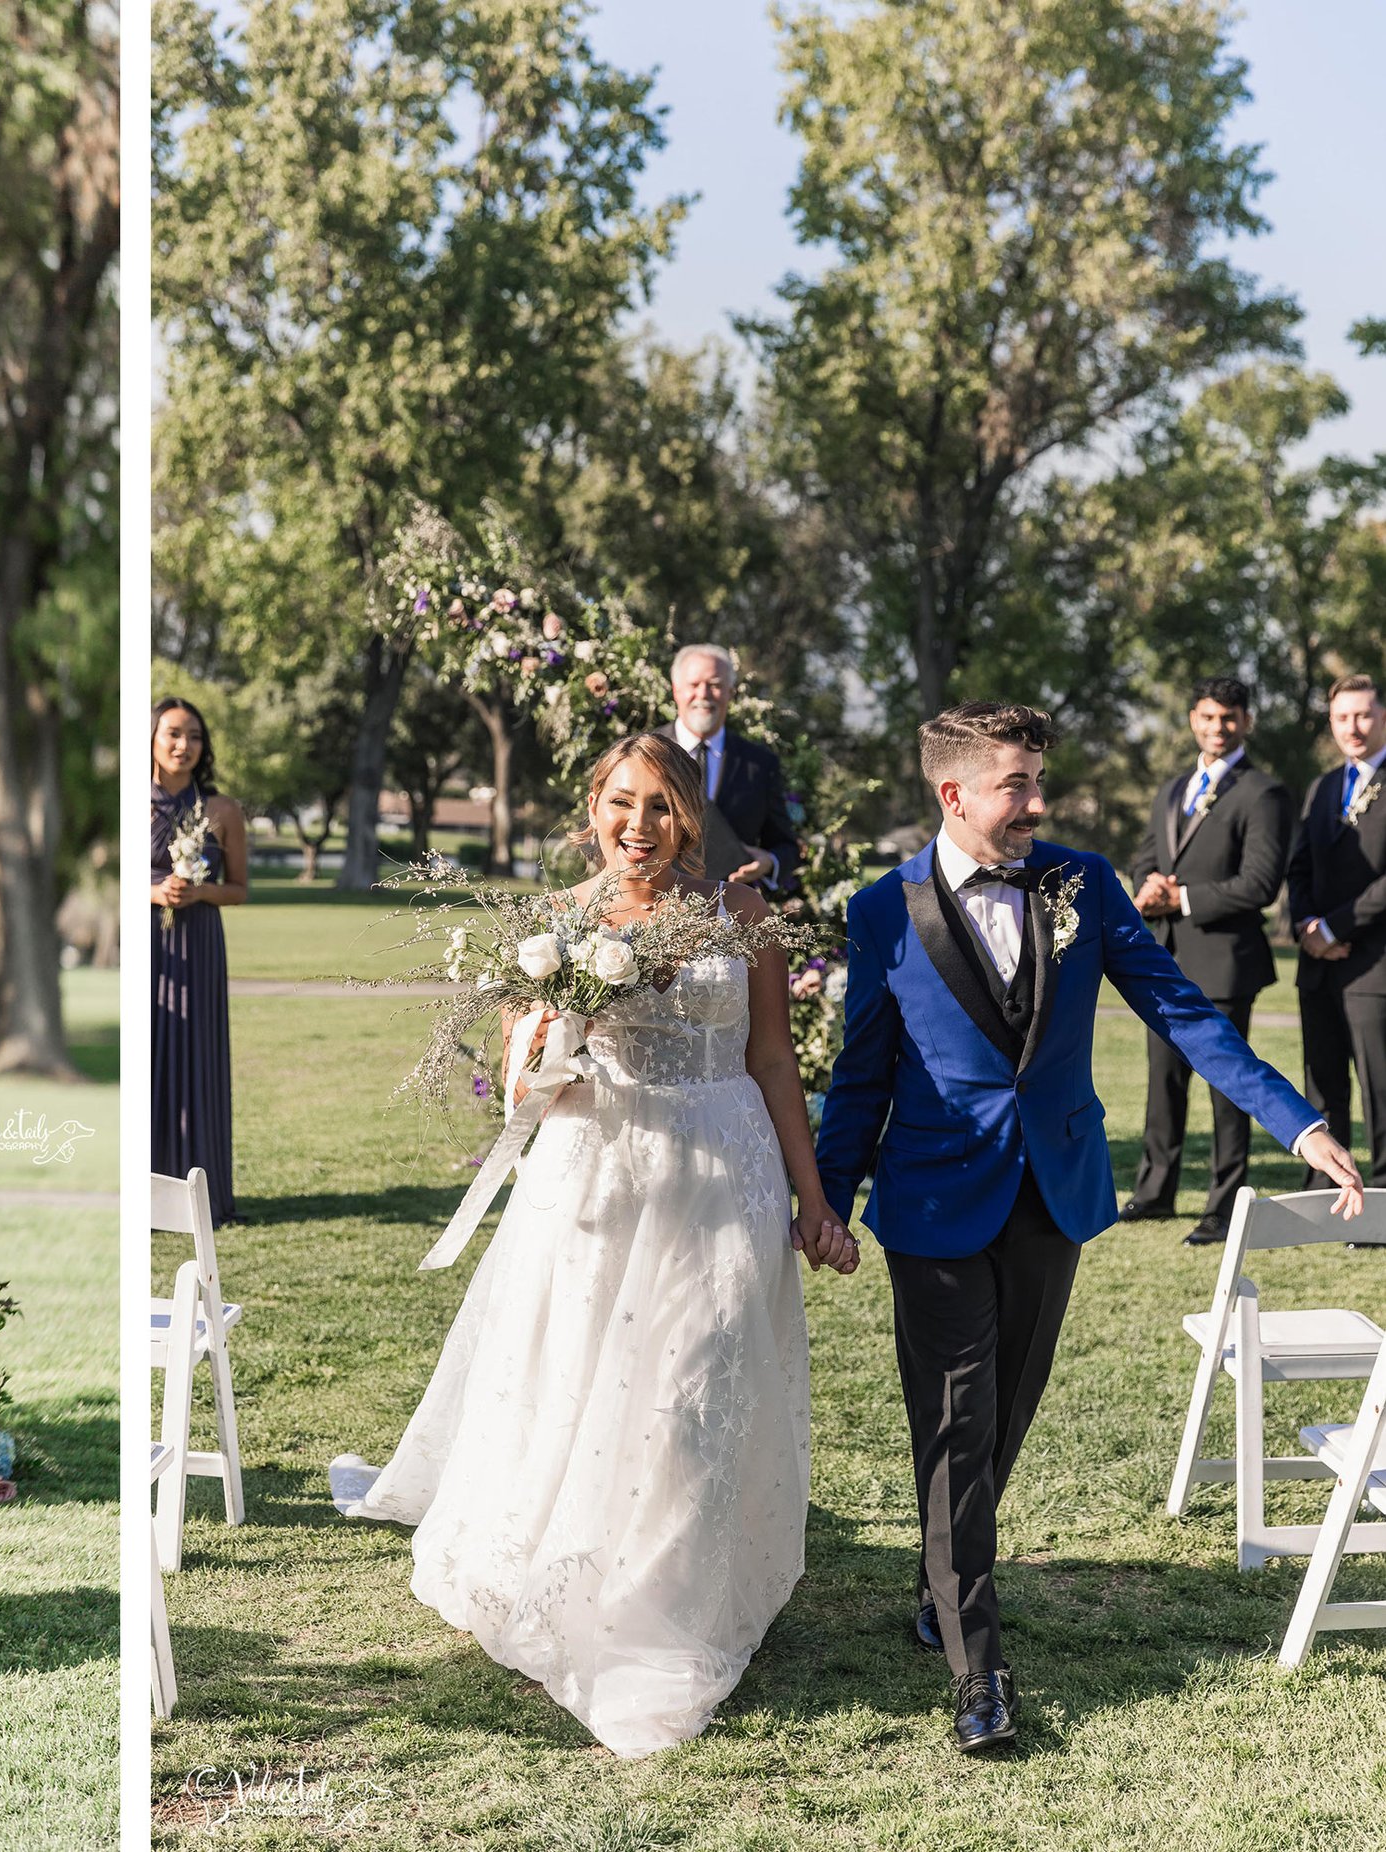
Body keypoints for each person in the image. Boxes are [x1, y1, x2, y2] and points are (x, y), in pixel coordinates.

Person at [815, 702, 1362, 1756]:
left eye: (1036, 783)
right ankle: (978, 1669)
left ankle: (940, 1571)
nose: (1036, 803)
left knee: (1003, 1409)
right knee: (956, 1418)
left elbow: (1182, 1010)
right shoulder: (882, 908)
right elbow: (859, 1074)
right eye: (1015, 785)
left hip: (1052, 1193)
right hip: (932, 1201)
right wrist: (826, 1196)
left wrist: (1295, 1122)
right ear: (954, 794)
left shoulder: (1081, 882)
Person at [336, 733, 859, 1759]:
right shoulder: (558, 923)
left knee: (695, 1385)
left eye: (661, 805)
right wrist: (550, 1042)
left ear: (691, 815)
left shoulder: (738, 913)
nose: (639, 826)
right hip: (596, 1175)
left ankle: (674, 1591)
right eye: (622, 802)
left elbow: (771, 1059)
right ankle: (587, 1580)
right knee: (581, 1376)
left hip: (723, 1168)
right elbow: (522, 1083)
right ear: (592, 806)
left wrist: (813, 1199)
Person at [1122, 676, 1293, 1243]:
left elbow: (1261, 884)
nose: (1217, 727)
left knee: (1229, 1087)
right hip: (1164, 961)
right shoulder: (1172, 789)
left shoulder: (1263, 792)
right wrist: (1145, 889)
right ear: (1193, 718)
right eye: (1207, 716)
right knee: (1162, 1083)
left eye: (1229, 717)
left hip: (1224, 961)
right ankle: (1155, 1191)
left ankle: (1224, 1206)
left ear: (1246, 721)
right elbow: (1148, 859)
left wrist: (1184, 899)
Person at [1286, 674, 1386, 1203]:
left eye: (1364, 715)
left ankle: (1384, 1202)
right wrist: (1307, 928)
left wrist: (1334, 927)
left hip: (1375, 964)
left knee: (1380, 1087)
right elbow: (1298, 867)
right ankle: (1325, 1191)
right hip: (1318, 962)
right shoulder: (1323, 786)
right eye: (1342, 717)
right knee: (1322, 1082)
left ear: (1383, 717)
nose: (1353, 726)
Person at [150, 697, 248, 1224]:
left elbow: (240, 889)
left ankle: (201, 1195)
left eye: (193, 736)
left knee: (197, 1058)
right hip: (147, 947)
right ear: (152, 737)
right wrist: (153, 892)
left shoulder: (222, 810)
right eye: (172, 733)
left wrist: (200, 894)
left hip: (198, 946)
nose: (183, 745)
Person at [667, 643, 802, 890]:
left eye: (715, 685)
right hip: (655, 908)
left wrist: (768, 862)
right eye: (694, 685)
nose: (704, 694)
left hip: (732, 910)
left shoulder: (760, 764)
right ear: (676, 690)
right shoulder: (643, 754)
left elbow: (786, 846)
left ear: (730, 692)